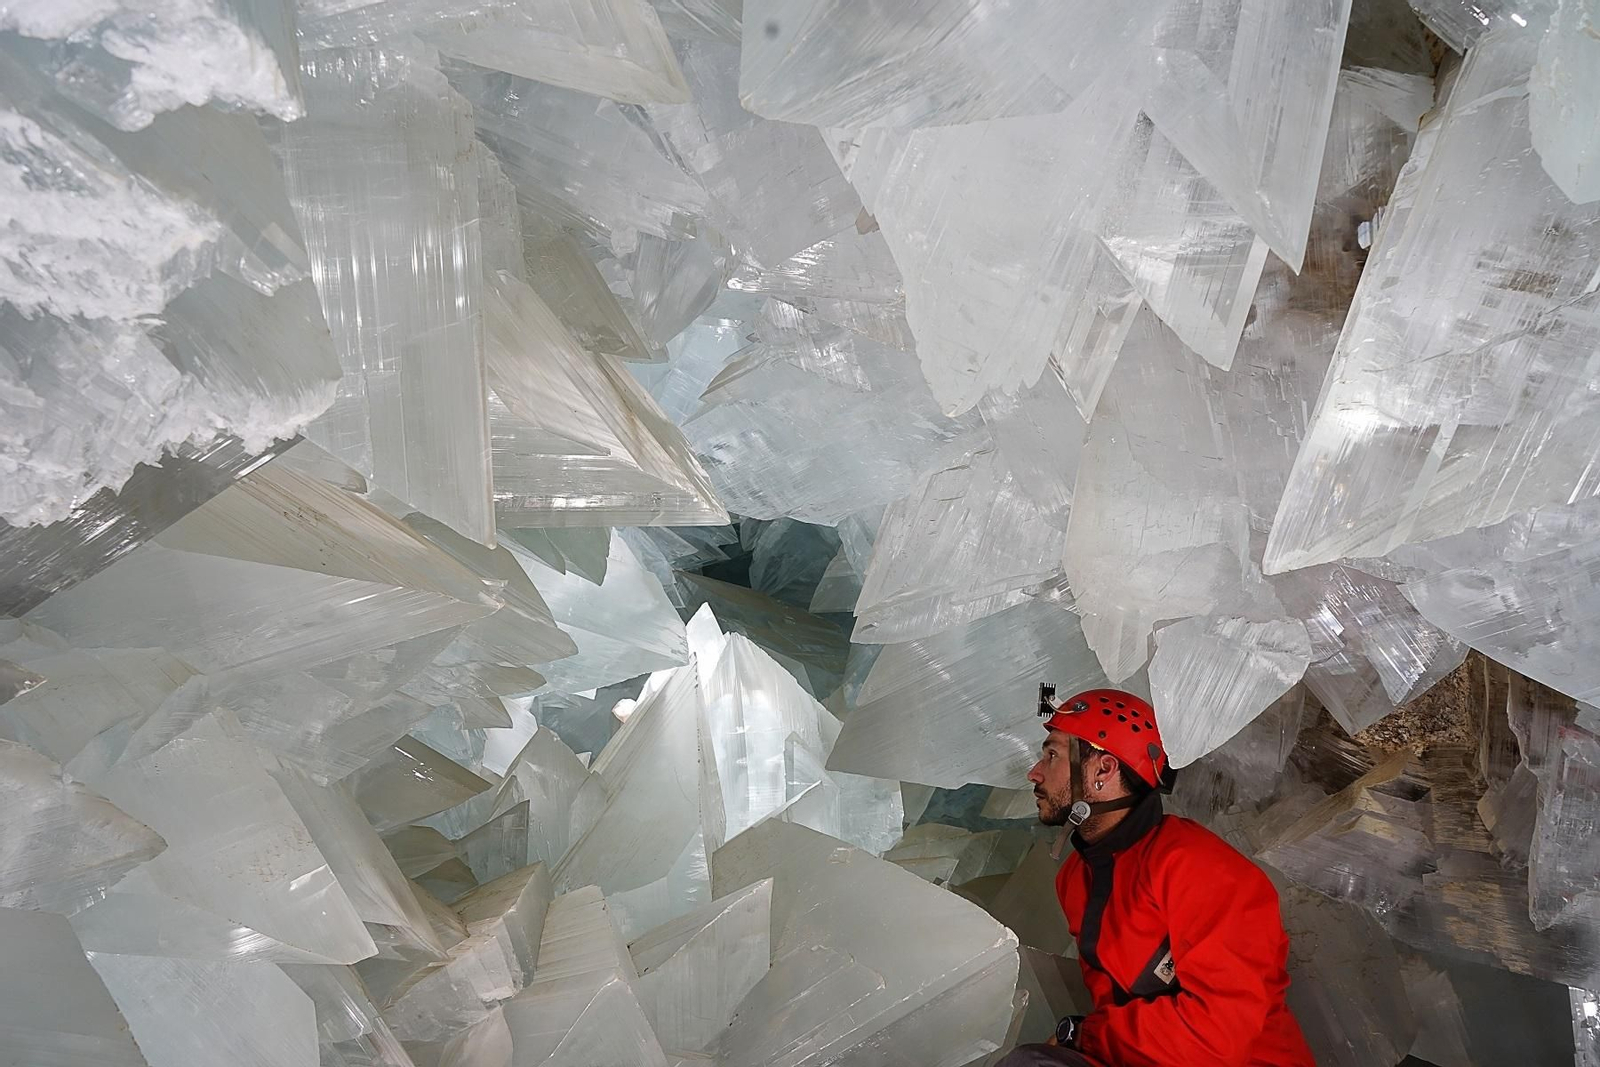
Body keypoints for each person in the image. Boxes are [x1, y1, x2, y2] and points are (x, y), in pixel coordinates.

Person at [997, 687, 1316, 1067]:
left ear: (1104, 769)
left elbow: (1216, 1037)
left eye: (1052, 755)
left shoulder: (1200, 868)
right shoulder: (1075, 878)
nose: (1035, 772)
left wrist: (1085, 1035)